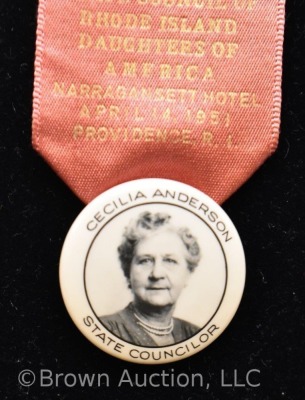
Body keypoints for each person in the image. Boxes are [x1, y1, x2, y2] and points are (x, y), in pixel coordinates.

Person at [99, 211, 201, 346]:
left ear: (187, 274)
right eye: (145, 261)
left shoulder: (195, 334)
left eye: (169, 261)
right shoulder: (104, 331)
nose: (157, 274)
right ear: (128, 271)